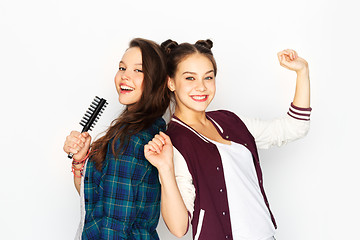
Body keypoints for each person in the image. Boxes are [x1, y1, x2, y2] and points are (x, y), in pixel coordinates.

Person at [144, 39, 312, 240]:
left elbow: (295, 127)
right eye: (190, 78)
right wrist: (165, 169)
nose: (201, 87)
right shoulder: (174, 142)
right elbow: (179, 228)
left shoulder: (230, 120)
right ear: (171, 82)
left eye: (208, 77)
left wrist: (302, 72)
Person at [63, 38, 170, 239]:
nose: (125, 76)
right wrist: (81, 159)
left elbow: (114, 228)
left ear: (157, 80)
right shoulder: (147, 129)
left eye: (138, 70)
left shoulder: (130, 140)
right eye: (122, 68)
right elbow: (97, 202)